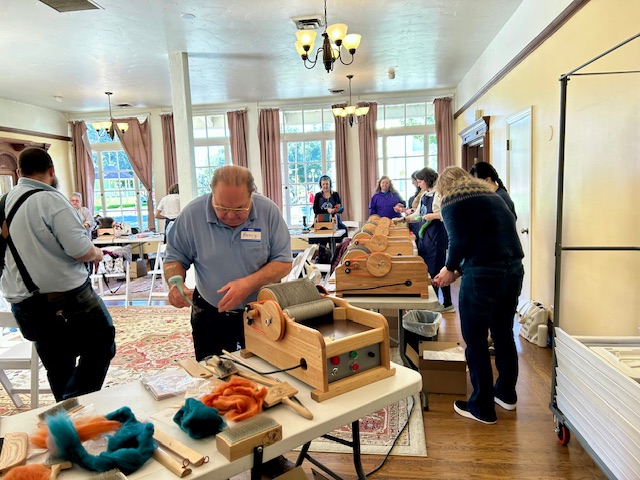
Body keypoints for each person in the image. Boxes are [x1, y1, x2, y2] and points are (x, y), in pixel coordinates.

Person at [0, 147, 116, 401]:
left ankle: (68, 412)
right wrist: (97, 253)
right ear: (52, 171)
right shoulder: (51, 200)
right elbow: (80, 250)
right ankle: (72, 406)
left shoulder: (4, 202)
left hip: (24, 304)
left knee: (58, 364)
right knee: (102, 344)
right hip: (67, 299)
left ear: (19, 173)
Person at [163, 165, 292, 361]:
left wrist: (248, 284)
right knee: (213, 373)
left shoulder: (269, 212)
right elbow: (174, 259)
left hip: (262, 313)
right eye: (222, 208)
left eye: (240, 208)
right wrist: (175, 284)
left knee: (266, 370)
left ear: (252, 194)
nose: (231, 215)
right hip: (209, 314)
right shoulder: (192, 215)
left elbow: (283, 262)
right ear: (212, 192)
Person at [432, 166, 524, 425]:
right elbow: (488, 241)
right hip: (513, 271)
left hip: (483, 277)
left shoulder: (452, 199)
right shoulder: (493, 197)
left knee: (475, 339)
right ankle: (506, 394)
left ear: (443, 187)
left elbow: (459, 242)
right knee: (503, 333)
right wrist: (457, 270)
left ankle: (482, 407)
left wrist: (449, 269)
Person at [312, 175, 346, 263]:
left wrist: (337, 209)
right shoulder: (318, 196)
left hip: (334, 221)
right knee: (322, 241)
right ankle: (322, 260)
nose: (325, 186)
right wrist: (327, 210)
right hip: (321, 221)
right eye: (323, 184)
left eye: (327, 184)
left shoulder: (335, 195)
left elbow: (341, 208)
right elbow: (316, 210)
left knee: (343, 231)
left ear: (330, 184)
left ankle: (337, 258)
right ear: (321, 185)